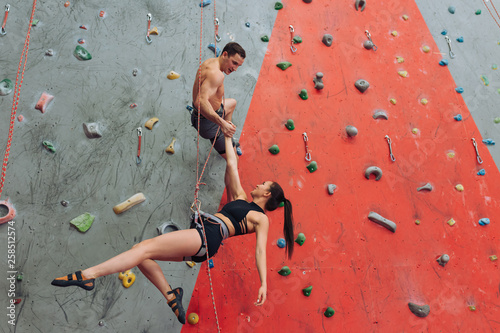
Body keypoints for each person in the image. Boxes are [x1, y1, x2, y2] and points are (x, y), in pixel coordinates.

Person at [51, 134, 295, 325]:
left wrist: (264, 283)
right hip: (204, 238)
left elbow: (261, 251)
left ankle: (89, 275)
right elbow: (232, 162)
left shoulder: (261, 219)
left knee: (143, 249)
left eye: (264, 184)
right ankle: (171, 295)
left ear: (267, 194)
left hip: (208, 236)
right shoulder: (241, 198)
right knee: (141, 252)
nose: (259, 183)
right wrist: (227, 130)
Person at [191, 42, 246, 159]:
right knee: (234, 160)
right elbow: (200, 102)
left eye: (238, 66)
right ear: (225, 54)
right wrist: (222, 124)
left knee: (232, 103)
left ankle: (228, 136)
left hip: (202, 115)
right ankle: (223, 135)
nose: (235, 69)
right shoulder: (217, 75)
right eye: (234, 63)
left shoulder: (211, 62)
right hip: (208, 124)